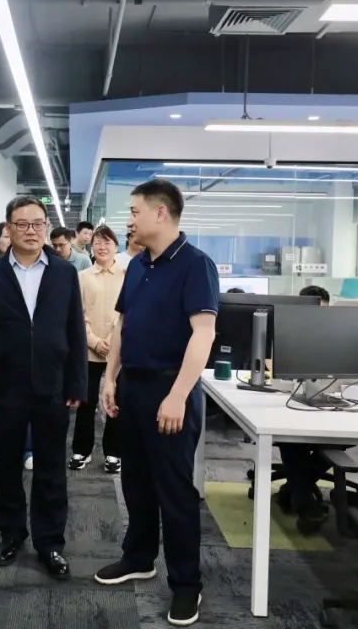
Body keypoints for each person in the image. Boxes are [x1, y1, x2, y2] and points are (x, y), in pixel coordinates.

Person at [94, 179, 218, 627]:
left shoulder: (195, 265)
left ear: (160, 213)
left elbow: (203, 334)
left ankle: (186, 585)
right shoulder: (138, 265)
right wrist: (110, 378)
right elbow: (122, 324)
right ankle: (139, 557)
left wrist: (179, 395)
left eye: (134, 211)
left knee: (175, 492)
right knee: (136, 481)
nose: (129, 220)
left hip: (171, 390)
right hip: (134, 387)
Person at [0, 196, 88, 579]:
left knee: (52, 468)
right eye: (22, 224)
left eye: (38, 224)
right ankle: (11, 533)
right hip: (6, 387)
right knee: (7, 465)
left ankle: (50, 543)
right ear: (9, 228)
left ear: (46, 227)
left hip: (53, 385)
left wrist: (77, 382)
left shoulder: (64, 273)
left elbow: (75, 331)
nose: (31, 231)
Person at [272, 284, 335, 536]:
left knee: (340, 439)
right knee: (291, 437)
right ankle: (303, 500)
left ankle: (297, 490)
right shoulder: (284, 331)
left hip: (331, 403)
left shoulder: (340, 336)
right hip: (289, 400)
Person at [0, 223, 34, 473]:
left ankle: (28, 450)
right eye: (5, 235)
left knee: (29, 403)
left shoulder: (32, 270)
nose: (9, 239)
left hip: (27, 350)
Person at [71, 225, 124, 474]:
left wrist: (113, 340)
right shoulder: (82, 277)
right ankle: (82, 450)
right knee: (86, 402)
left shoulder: (126, 275)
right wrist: (93, 341)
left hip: (118, 350)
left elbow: (126, 314)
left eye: (107, 242)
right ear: (92, 247)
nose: (102, 247)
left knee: (116, 403)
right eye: (98, 243)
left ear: (116, 247)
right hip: (89, 350)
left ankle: (113, 452)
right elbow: (77, 314)